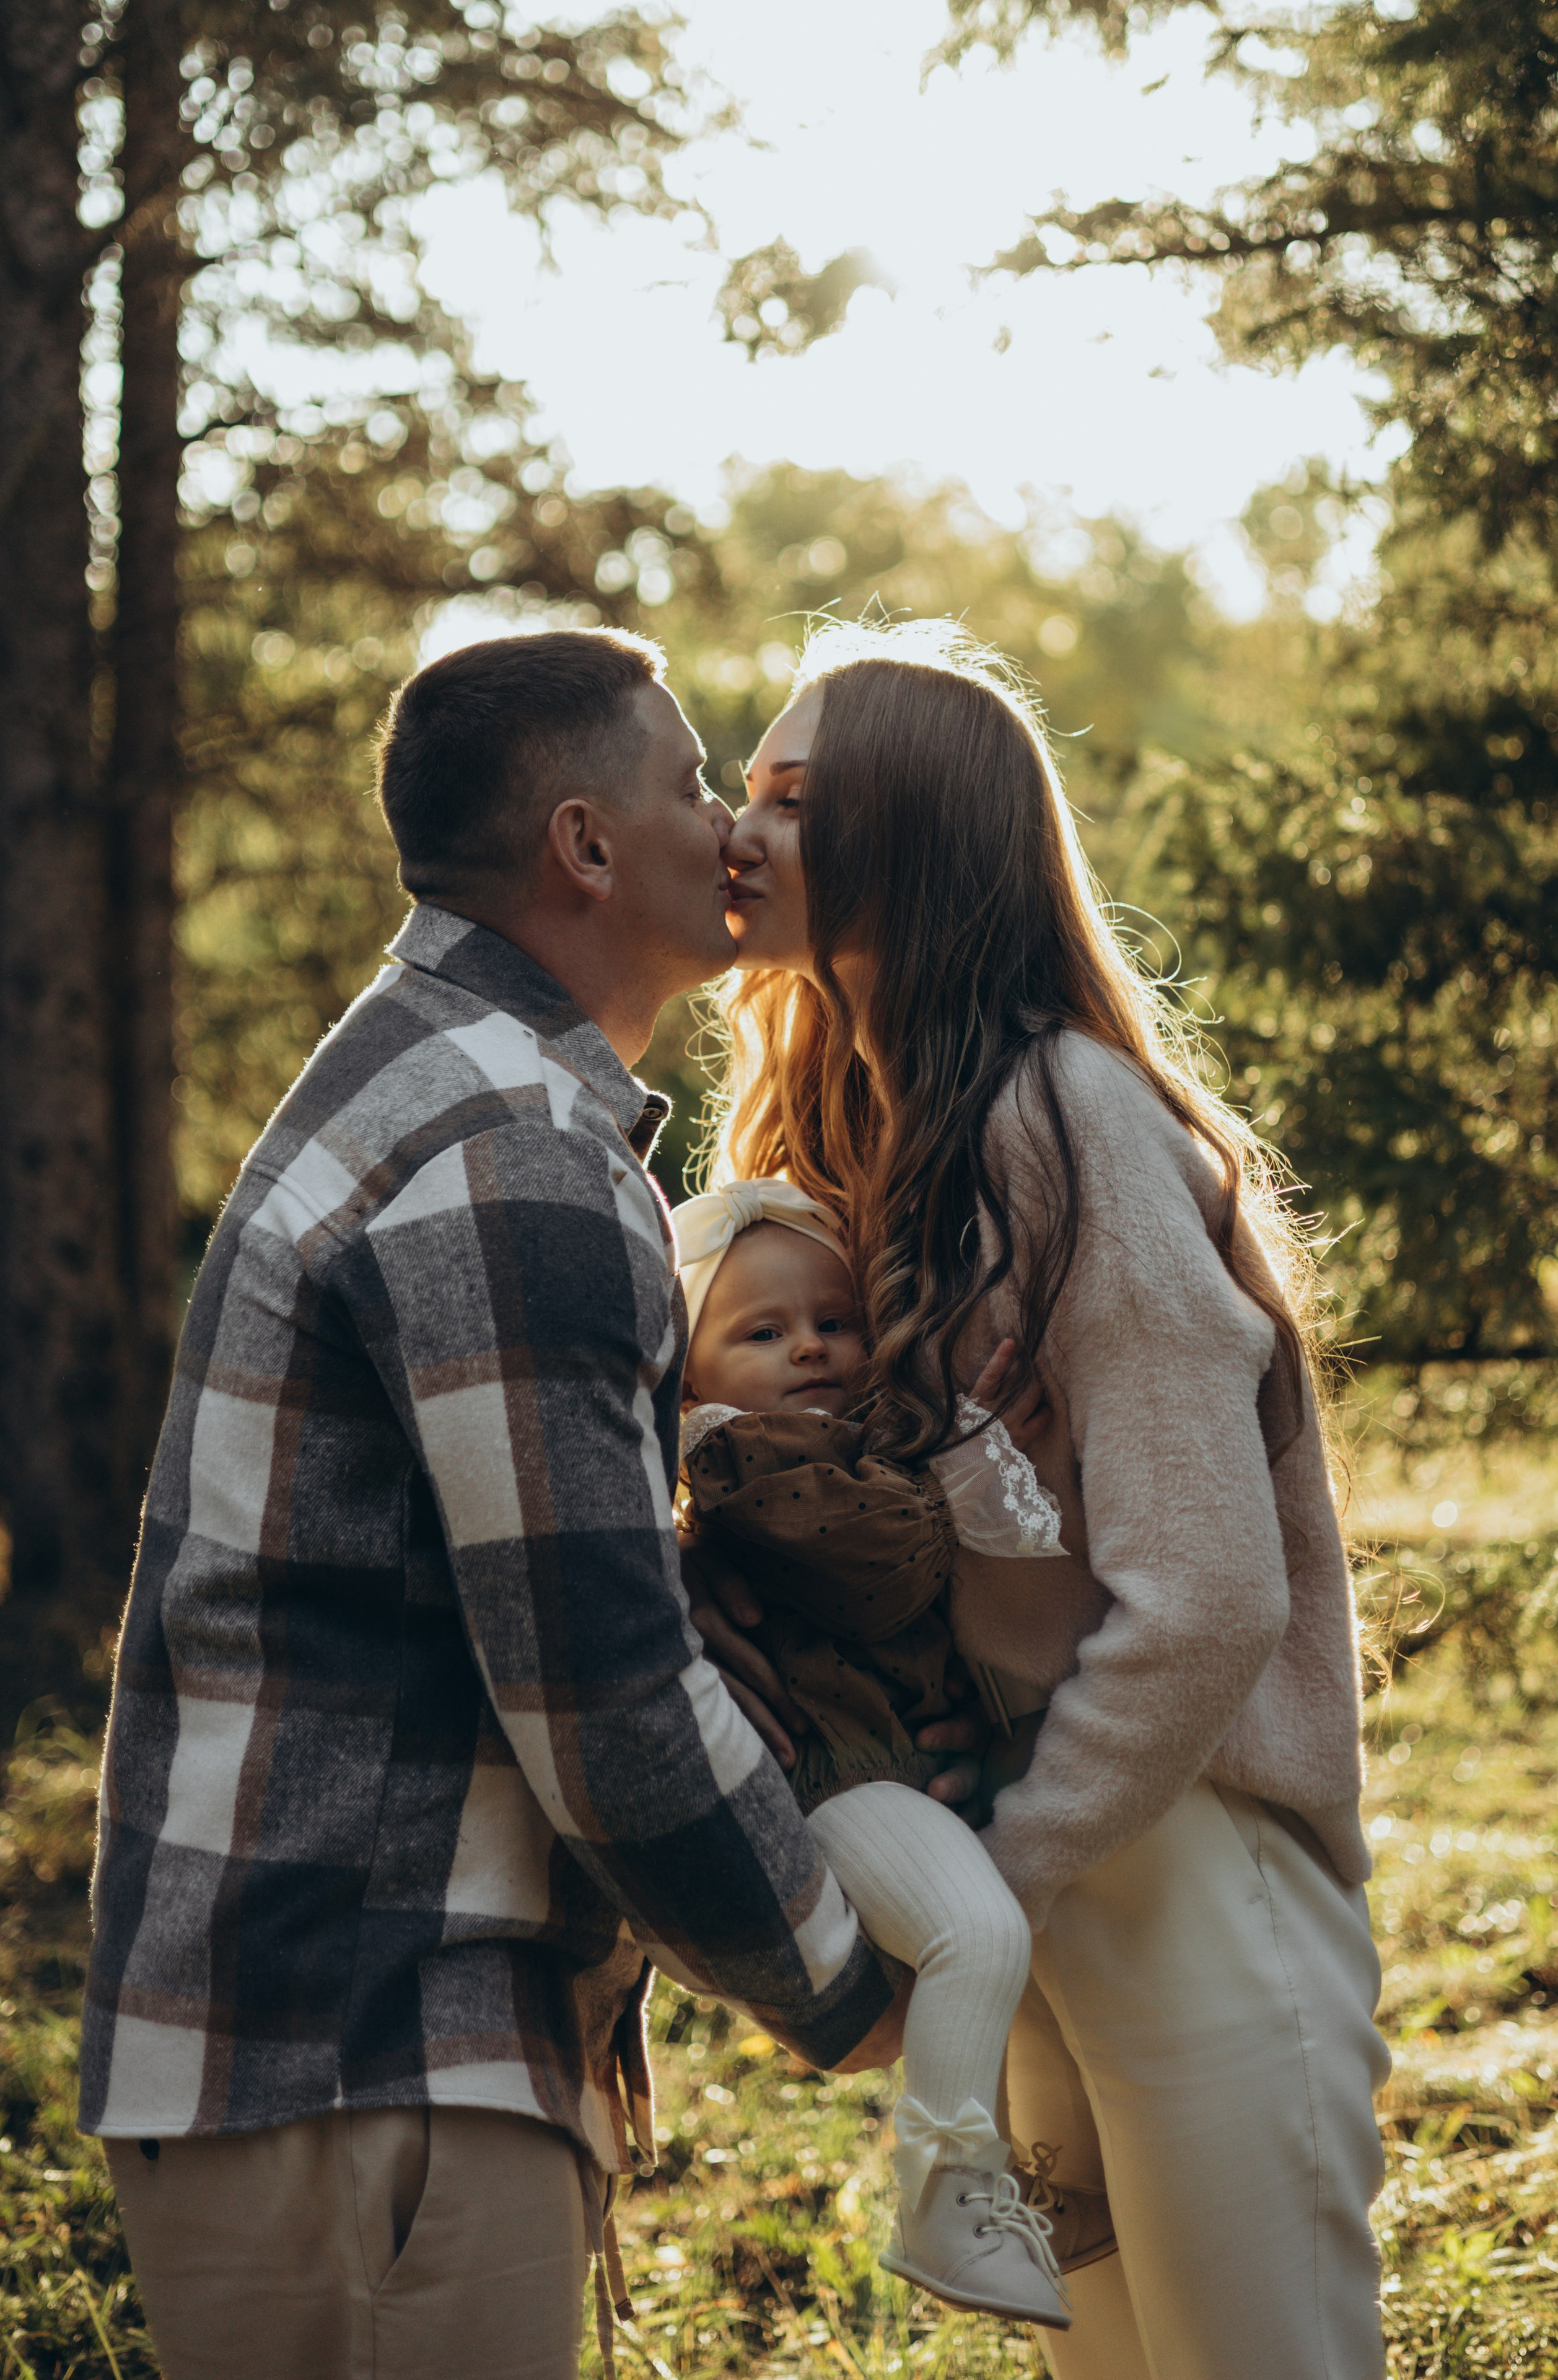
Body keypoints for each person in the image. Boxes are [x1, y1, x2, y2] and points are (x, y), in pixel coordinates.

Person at [79, 629, 924, 2380]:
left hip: (338, 2053)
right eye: (691, 784)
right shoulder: (509, 1143)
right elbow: (602, 1691)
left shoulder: (443, 1081)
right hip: (370, 2052)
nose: (726, 829)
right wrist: (847, 1981)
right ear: (585, 847)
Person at [696, 617, 1392, 2380]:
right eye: (746, 787)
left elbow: (1212, 1592)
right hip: (1028, 1867)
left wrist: (1005, 1871)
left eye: (794, 795)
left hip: (1182, 1853)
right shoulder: (839, 1139)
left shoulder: (1067, 1114)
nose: (741, 828)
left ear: (914, 835)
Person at [673, 1179, 1080, 2327]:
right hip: (833, 1770)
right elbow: (888, 1564)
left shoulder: (840, 1439)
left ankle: (1010, 2172)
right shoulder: (749, 1461)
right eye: (761, 1331)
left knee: (1003, 1938)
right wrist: (958, 1450)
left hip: (892, 1756)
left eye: (834, 1321)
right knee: (977, 1928)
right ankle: (945, 2198)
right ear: (692, 1373)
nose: (809, 1346)